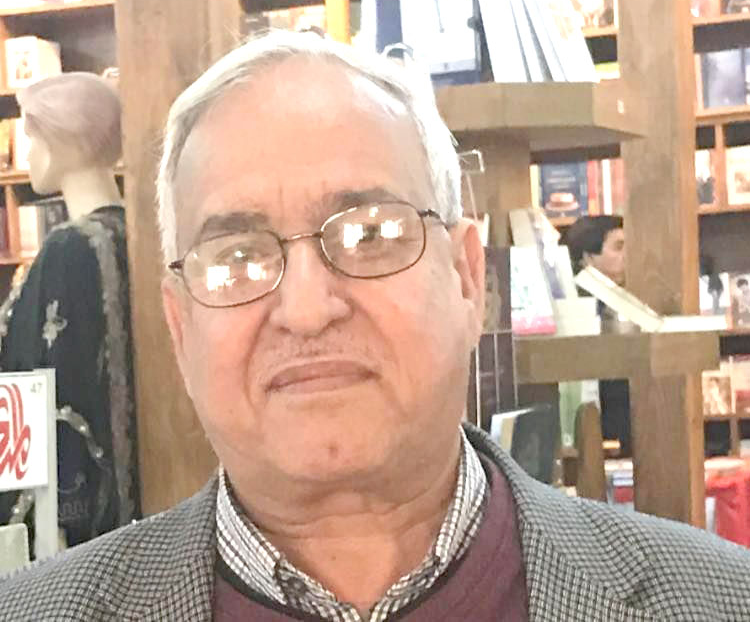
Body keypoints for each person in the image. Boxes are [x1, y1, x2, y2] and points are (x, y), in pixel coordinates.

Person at [2, 32, 749, 619]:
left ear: (468, 279)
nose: (306, 309)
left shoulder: (717, 600)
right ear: (179, 326)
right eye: (237, 257)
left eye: (370, 234)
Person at [0, 73, 140, 550]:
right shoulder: (131, 235)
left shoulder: (69, 248)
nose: (29, 153)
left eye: (33, 137)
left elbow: (54, 381)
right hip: (134, 491)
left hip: (73, 511)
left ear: (62, 141)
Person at [560, 214, 630, 455]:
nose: (627, 255)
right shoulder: (577, 304)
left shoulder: (615, 297)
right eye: (618, 247)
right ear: (588, 257)